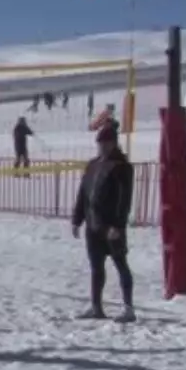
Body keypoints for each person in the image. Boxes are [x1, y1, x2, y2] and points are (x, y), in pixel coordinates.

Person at [71, 125, 135, 322]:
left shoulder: (121, 166)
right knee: (96, 267)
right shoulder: (93, 165)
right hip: (93, 225)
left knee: (120, 264)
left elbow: (124, 200)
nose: (102, 147)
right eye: (100, 143)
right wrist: (77, 219)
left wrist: (118, 225)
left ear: (114, 143)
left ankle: (129, 308)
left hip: (111, 227)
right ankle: (96, 307)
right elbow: (83, 194)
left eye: (106, 143)